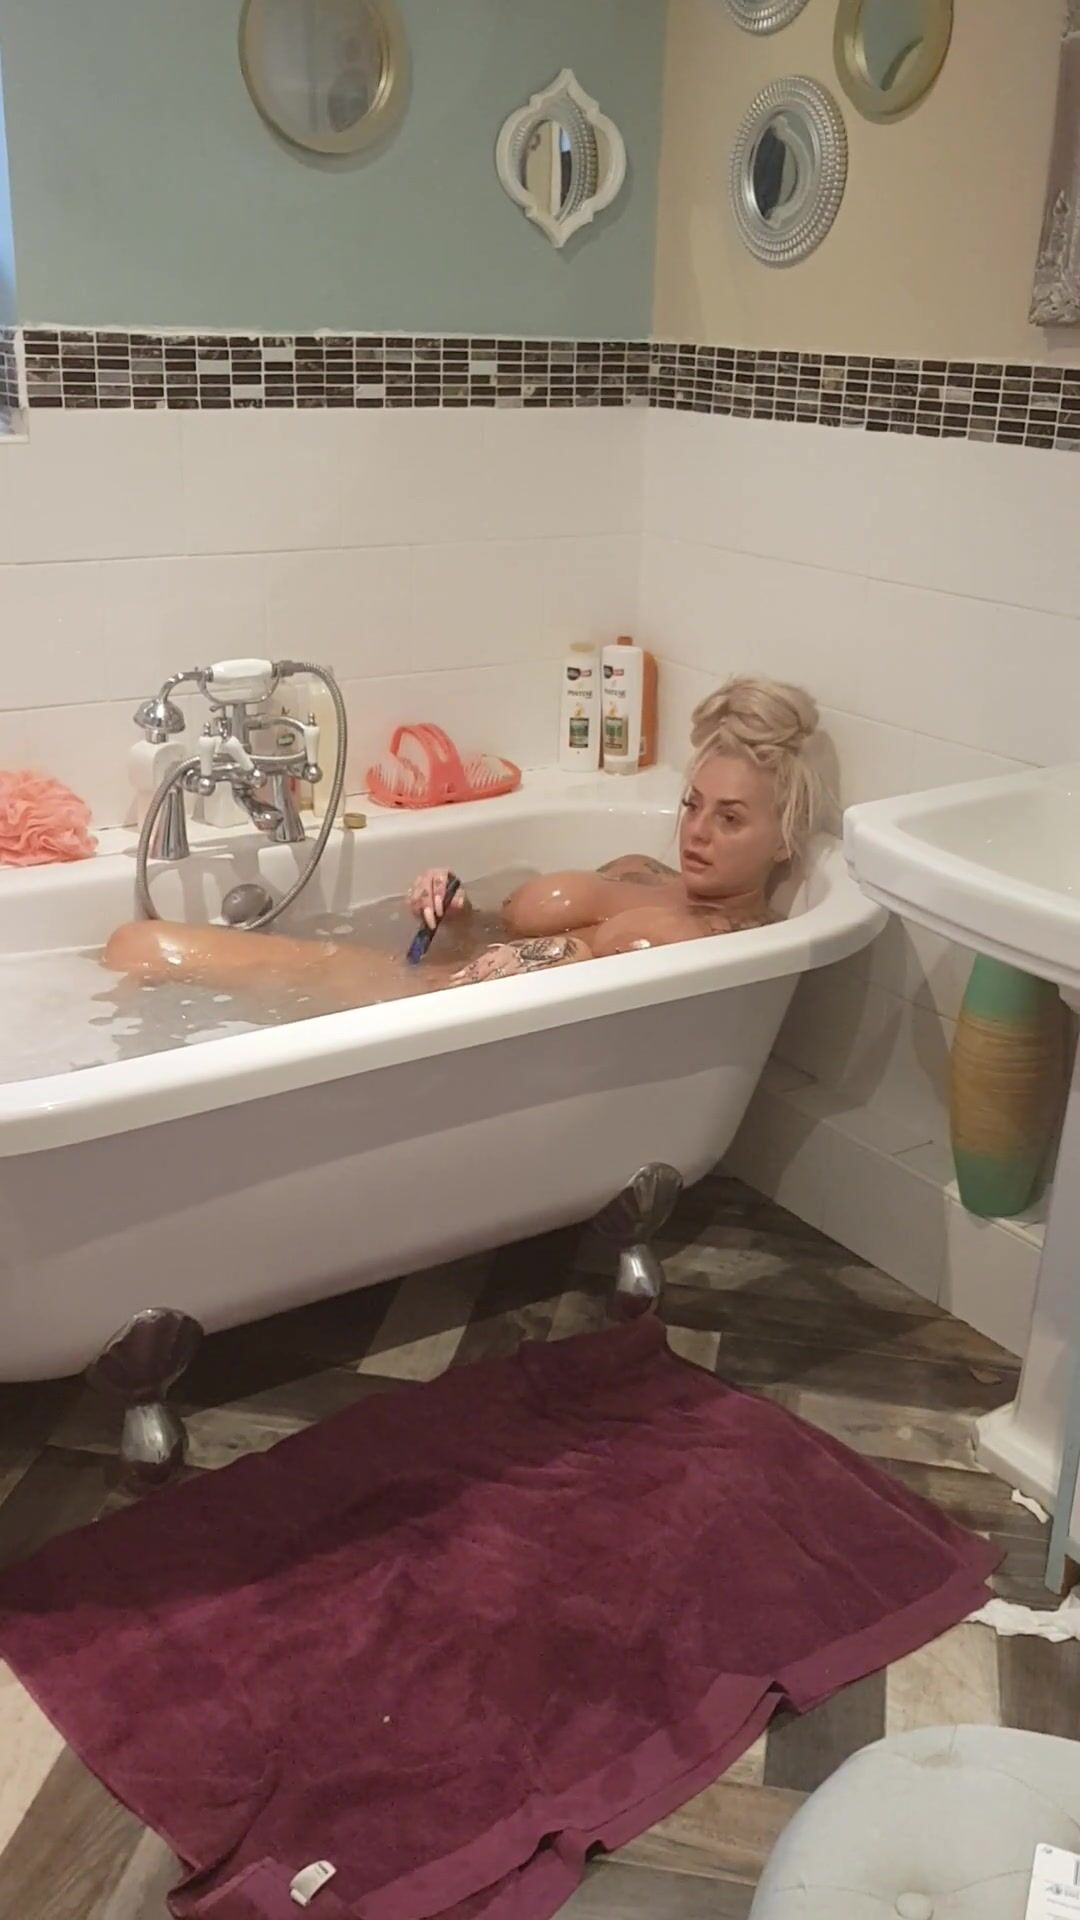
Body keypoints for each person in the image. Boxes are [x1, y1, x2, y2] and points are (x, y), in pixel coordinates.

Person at [103, 677, 822, 1007]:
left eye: (731, 819)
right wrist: (453, 913)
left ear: (784, 841)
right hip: (420, 983)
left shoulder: (720, 945)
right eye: (693, 805)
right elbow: (496, 942)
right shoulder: (641, 871)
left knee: (140, 947)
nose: (697, 831)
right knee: (132, 945)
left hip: (410, 1006)